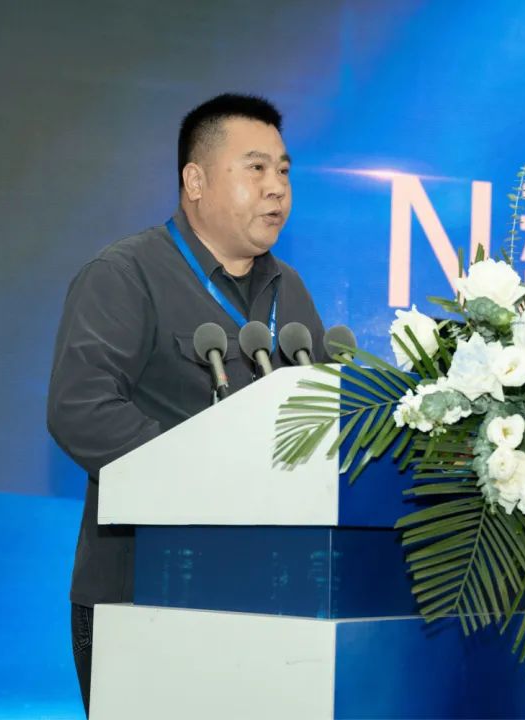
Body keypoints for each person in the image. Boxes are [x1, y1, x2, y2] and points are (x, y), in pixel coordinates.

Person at [46, 93, 326, 716]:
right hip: (141, 593)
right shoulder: (125, 275)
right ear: (195, 181)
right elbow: (81, 408)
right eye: (256, 168)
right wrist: (207, 475)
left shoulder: (290, 291)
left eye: (283, 170)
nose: (276, 187)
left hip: (270, 600)